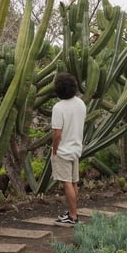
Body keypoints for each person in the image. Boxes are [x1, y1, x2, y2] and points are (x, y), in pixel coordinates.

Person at [51, 72, 86, 226]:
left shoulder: (59, 108)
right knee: (73, 182)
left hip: (63, 151)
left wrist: (54, 150)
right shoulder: (80, 103)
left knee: (67, 183)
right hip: (76, 148)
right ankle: (73, 212)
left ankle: (73, 216)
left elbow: (57, 134)